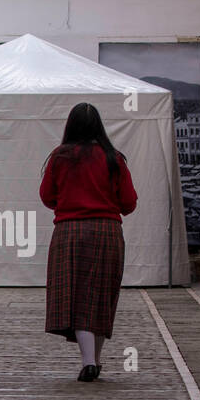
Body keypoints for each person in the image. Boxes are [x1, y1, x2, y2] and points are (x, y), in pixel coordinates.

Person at [39, 102, 137, 383]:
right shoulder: (113, 158)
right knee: (100, 295)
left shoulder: (60, 157)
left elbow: (47, 196)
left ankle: (89, 361)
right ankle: (94, 360)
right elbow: (128, 202)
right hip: (107, 230)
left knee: (76, 295)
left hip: (69, 231)